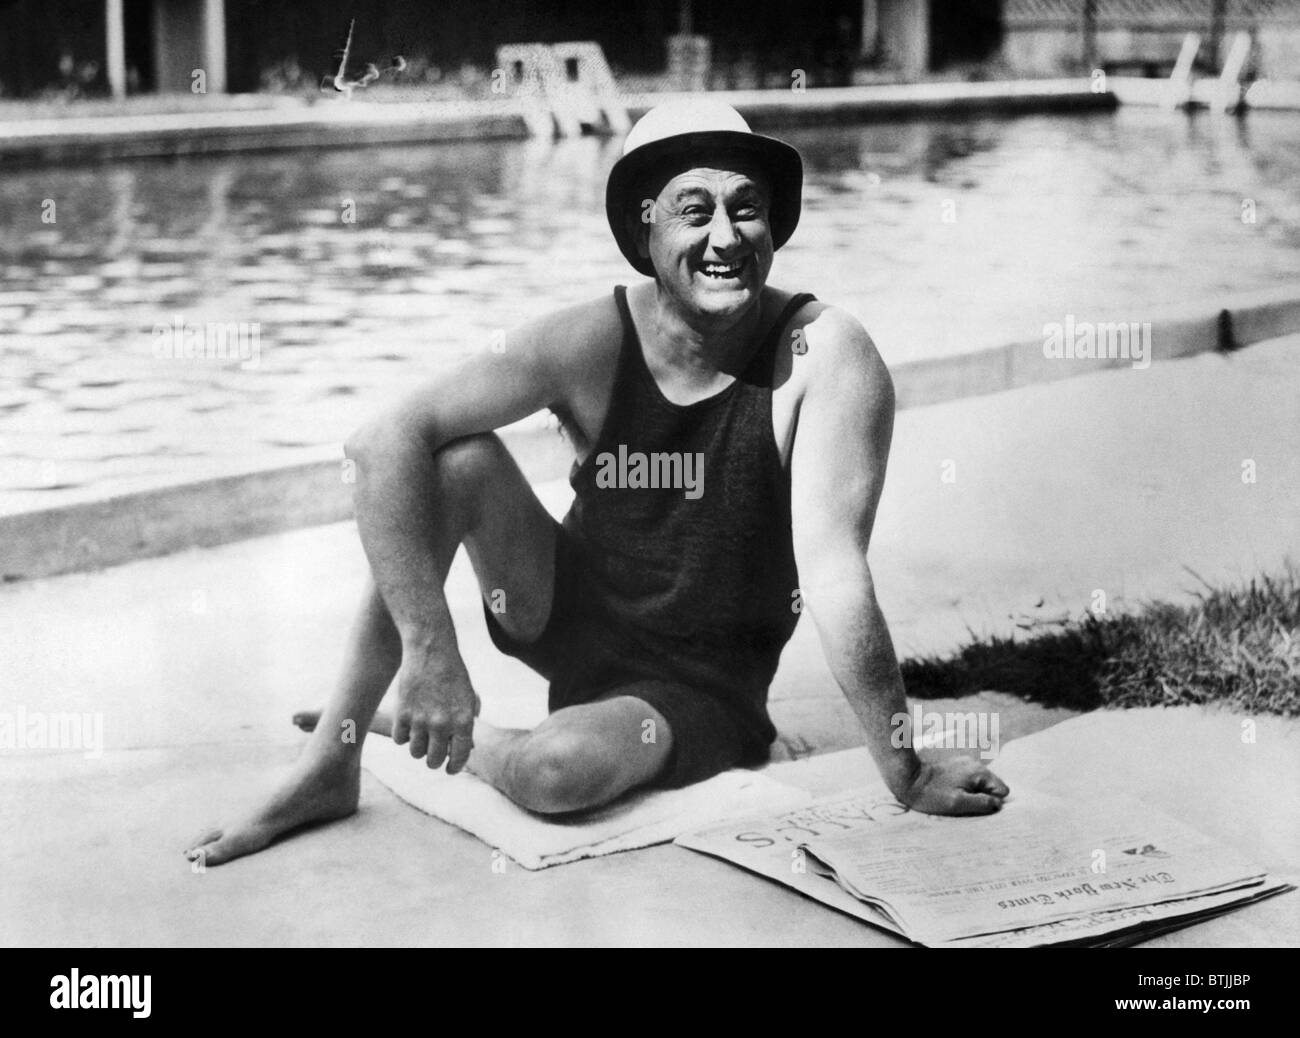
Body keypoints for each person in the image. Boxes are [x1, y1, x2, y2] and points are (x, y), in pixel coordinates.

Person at [186, 98, 1008, 868]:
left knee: (555, 773)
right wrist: (432, 654)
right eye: (695, 211)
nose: (726, 236)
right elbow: (381, 442)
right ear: (642, 229)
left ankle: (473, 742)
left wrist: (904, 770)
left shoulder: (824, 355)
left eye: (746, 207)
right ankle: (332, 758)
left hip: (699, 687)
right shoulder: (592, 339)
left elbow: (835, 574)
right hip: (567, 612)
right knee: (454, 461)